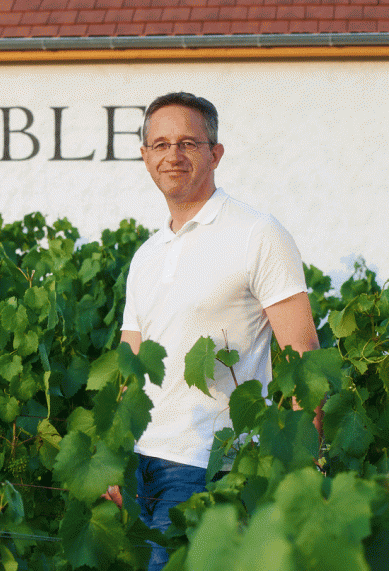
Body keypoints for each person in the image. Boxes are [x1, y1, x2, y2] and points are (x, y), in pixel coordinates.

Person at [117, 92, 319, 570]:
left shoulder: (257, 233)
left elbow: (303, 353)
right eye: (160, 144)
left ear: (216, 153)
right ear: (145, 156)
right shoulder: (147, 255)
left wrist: (303, 467)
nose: (173, 154)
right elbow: (130, 364)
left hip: (211, 466)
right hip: (141, 465)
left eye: (188, 143)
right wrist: (112, 455)